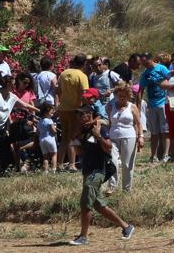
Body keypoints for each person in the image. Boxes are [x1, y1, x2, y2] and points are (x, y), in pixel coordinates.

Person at [69, 106, 135, 244]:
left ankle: (83, 237)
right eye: (79, 116)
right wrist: (75, 138)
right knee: (99, 205)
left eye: (83, 115)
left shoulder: (99, 128)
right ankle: (126, 227)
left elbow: (109, 147)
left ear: (90, 114)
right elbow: (79, 152)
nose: (80, 118)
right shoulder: (84, 131)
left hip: (98, 170)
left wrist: (98, 136)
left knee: (86, 203)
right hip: (87, 170)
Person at [104, 83, 141, 190]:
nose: (121, 97)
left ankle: (126, 188)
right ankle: (112, 186)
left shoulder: (132, 107)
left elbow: (138, 123)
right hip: (113, 136)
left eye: (124, 95)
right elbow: (110, 122)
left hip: (129, 136)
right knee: (113, 161)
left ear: (128, 95)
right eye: (119, 95)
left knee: (126, 164)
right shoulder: (111, 106)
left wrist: (140, 136)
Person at [57, 54, 89, 171]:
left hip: (63, 108)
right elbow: (85, 94)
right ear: (84, 64)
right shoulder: (82, 76)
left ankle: (59, 164)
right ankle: (71, 164)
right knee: (73, 137)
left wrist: (61, 101)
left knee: (64, 137)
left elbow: (58, 90)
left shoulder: (64, 73)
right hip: (75, 109)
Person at [136, 53, 170, 162]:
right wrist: (138, 105)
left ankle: (166, 155)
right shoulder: (145, 74)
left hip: (163, 102)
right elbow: (141, 89)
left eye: (146, 62)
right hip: (152, 104)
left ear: (151, 59)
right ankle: (153, 156)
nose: (145, 65)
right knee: (154, 132)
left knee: (165, 130)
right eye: (143, 63)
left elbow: (171, 79)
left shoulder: (161, 68)